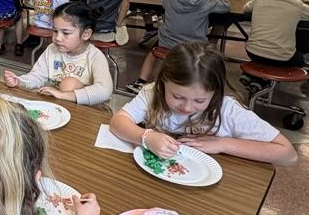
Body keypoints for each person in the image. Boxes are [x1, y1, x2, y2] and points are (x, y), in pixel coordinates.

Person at [110, 42, 296, 166]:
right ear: (162, 84)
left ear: (215, 93)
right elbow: (118, 121)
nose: (188, 108)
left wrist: (222, 144)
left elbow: (288, 154)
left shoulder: (228, 109)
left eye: (200, 100)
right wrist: (145, 137)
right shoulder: (152, 93)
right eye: (178, 96)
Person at [127, 0, 230, 92]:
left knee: (153, 54)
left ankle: (140, 81)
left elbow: (164, 5)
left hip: (168, 42)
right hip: (195, 45)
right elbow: (226, 6)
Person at [5, 2, 113, 106]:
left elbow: (104, 90)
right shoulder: (52, 49)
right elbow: (37, 76)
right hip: (62, 104)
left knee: (68, 84)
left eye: (66, 33)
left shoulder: (95, 56)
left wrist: (64, 95)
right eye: (55, 31)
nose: (57, 38)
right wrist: (20, 81)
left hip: (91, 110)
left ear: (86, 34)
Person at [243, 0, 309, 67]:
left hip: (252, 52)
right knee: (302, 55)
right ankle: (268, 80)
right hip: (283, 57)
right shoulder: (298, 6)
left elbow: (246, 8)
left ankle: (258, 78)